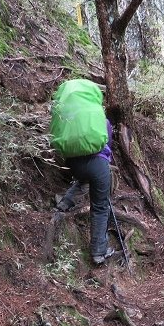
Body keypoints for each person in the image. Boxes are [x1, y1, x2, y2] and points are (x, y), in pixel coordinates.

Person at [50, 78, 115, 265]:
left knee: (83, 181)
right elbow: (106, 145)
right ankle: (98, 252)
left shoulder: (72, 121)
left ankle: (64, 204)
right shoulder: (102, 121)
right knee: (100, 207)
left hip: (74, 163)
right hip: (98, 164)